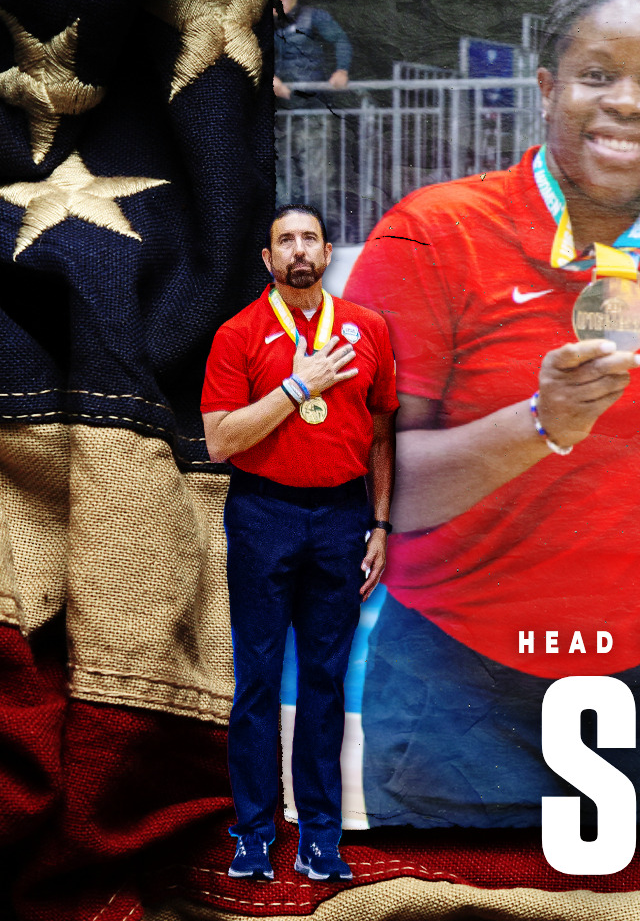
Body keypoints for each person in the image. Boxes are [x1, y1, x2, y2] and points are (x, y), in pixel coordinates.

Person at [343, 0, 640, 828]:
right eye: (597, 75)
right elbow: (367, 491)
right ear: (548, 88)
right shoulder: (434, 234)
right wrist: (539, 424)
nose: (627, 103)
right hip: (464, 693)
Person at [201, 204, 397, 882]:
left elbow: (380, 435)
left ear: (328, 250)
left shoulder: (366, 330)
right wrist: (296, 386)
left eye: (308, 237)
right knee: (256, 681)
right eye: (284, 239)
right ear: (268, 259)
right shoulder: (239, 334)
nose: (298, 249)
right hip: (264, 513)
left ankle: (319, 834)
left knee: (323, 679)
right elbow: (222, 439)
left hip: (342, 518)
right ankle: (254, 831)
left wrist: (380, 523)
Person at [271, 0, 354, 214]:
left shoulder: (315, 17)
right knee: (279, 175)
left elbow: (340, 39)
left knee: (317, 176)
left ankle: (319, 232)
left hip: (313, 108)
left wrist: (341, 69)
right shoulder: (259, 24)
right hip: (279, 113)